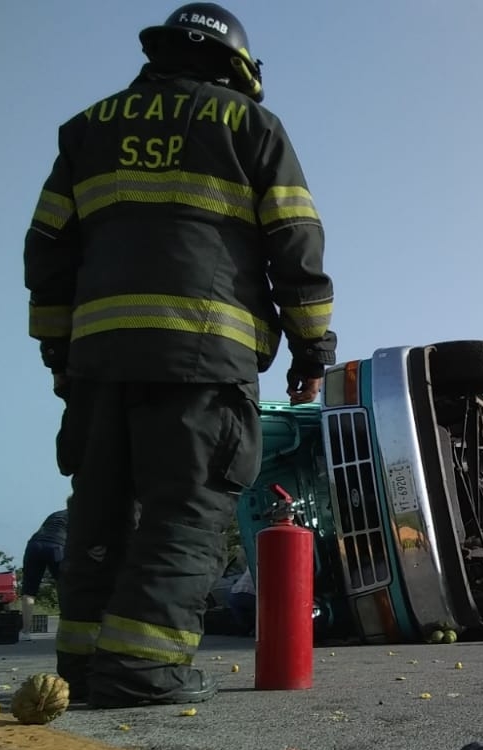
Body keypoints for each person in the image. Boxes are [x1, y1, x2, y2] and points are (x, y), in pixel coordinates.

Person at [24, 3, 336, 707]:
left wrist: (58, 352)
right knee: (184, 515)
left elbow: (47, 248)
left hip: (100, 363)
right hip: (203, 362)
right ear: (238, 68)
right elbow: (297, 242)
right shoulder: (250, 127)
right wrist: (312, 349)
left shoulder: (87, 130)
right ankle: (140, 671)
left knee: (98, 513)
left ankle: (75, 669)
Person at [19, 508, 69, 641]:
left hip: (34, 545)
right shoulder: (79, 514)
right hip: (56, 547)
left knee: (29, 592)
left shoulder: (55, 514)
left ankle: (25, 632)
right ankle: (66, 627)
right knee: (64, 587)